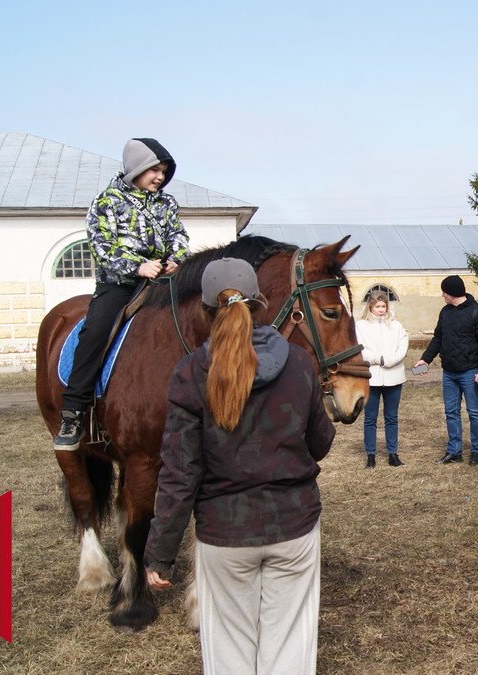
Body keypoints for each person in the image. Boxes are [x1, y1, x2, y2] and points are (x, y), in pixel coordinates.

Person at [144, 258, 334, 673]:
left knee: (229, 651)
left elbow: (179, 473)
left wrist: (160, 553)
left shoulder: (190, 372)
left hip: (224, 533)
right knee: (289, 644)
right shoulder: (299, 363)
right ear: (260, 303)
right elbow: (321, 443)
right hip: (293, 527)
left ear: (205, 310)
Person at [54, 138, 189, 449]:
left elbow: (178, 236)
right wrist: (137, 266)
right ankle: (74, 412)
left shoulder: (166, 203)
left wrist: (176, 259)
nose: (160, 177)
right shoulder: (106, 202)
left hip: (162, 282)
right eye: (154, 169)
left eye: (164, 171)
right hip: (119, 283)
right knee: (95, 331)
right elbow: (101, 245)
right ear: (137, 168)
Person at [414, 275, 478, 466]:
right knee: (451, 412)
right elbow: (438, 338)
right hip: (449, 372)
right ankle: (454, 451)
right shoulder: (445, 312)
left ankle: (476, 451)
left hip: (470, 372)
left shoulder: (477, 313)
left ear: (452, 293)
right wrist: (425, 359)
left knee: (474, 412)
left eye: (444, 292)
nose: (442, 295)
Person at [356, 291, 408, 468]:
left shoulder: (396, 325)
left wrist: (391, 360)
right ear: (370, 307)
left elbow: (403, 346)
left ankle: (393, 453)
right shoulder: (361, 326)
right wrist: (378, 359)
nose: (381, 309)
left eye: (383, 306)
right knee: (370, 418)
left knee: (391, 417)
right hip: (371, 377)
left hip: (394, 376)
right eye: (377, 306)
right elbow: (360, 349)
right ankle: (371, 454)